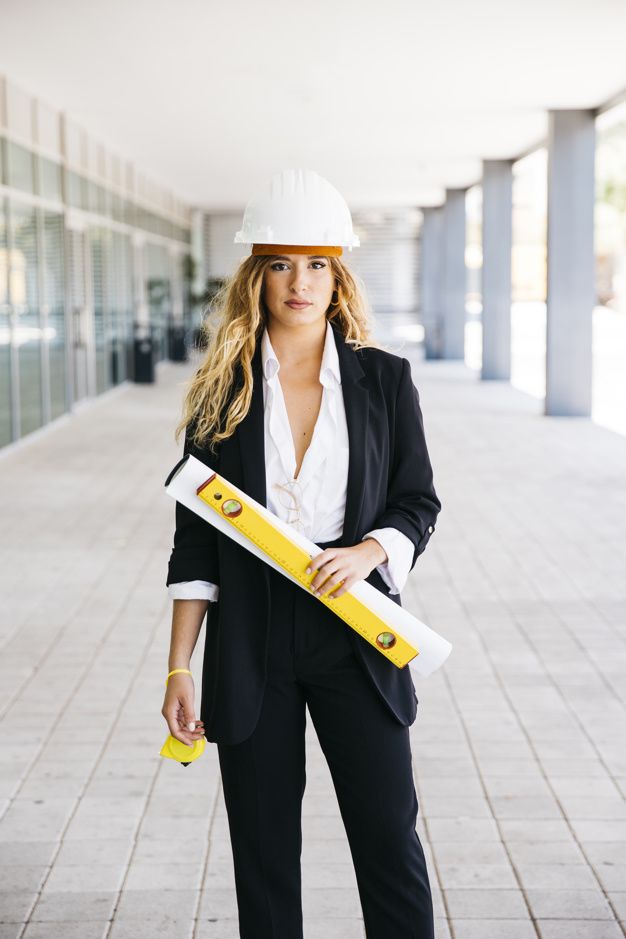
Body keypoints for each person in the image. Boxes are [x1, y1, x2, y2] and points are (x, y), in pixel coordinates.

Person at [162, 168, 442, 939]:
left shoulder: (385, 380)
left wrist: (368, 551)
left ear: (338, 276)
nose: (300, 281)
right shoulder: (223, 391)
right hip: (252, 635)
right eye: (281, 263)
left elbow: (418, 499)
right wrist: (180, 665)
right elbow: (197, 539)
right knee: (262, 854)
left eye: (318, 263)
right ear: (257, 275)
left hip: (356, 629)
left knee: (388, 837)